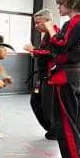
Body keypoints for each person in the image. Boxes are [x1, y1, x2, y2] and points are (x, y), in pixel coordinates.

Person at [44, 0, 80, 158]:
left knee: (65, 120)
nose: (58, 7)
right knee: (73, 119)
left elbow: (61, 47)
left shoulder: (75, 23)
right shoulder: (77, 24)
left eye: (61, 4)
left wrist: (51, 29)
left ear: (72, 4)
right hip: (75, 76)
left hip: (67, 77)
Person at [23, 9, 59, 140]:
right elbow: (45, 52)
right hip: (42, 76)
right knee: (35, 101)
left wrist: (34, 50)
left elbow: (51, 53)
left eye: (38, 22)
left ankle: (55, 131)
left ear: (47, 21)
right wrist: (35, 52)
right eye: (35, 23)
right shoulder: (46, 35)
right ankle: (51, 129)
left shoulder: (55, 33)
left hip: (51, 76)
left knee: (48, 105)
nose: (36, 26)